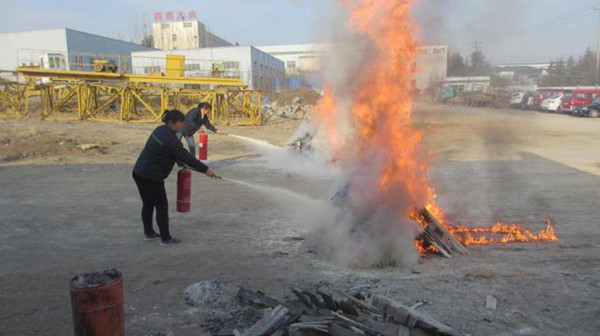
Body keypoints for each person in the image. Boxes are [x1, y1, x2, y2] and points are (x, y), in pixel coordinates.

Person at [133, 109, 219, 246]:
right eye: (181, 122)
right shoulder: (172, 141)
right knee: (162, 206)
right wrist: (206, 169)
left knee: (148, 204)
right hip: (151, 177)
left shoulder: (160, 130)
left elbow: (167, 152)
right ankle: (165, 239)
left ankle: (148, 233)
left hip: (139, 171)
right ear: (173, 123)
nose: (183, 125)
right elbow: (187, 157)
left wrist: (178, 161)